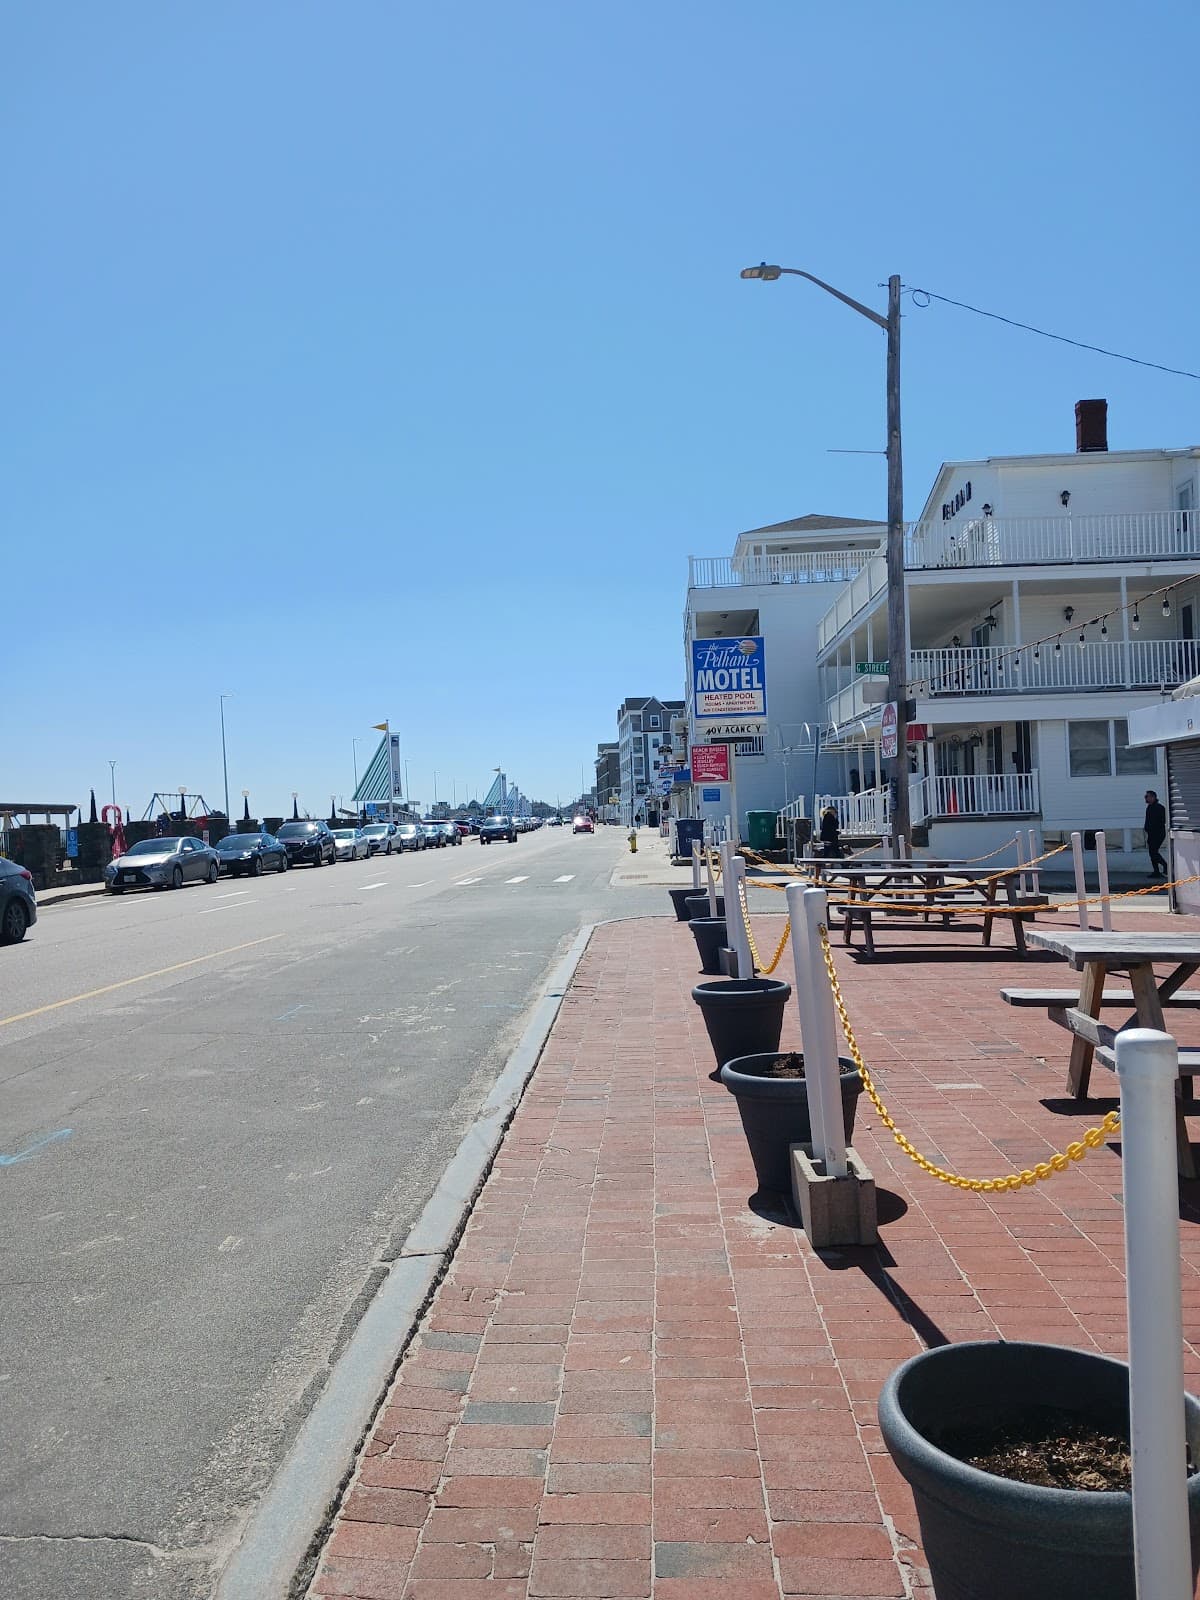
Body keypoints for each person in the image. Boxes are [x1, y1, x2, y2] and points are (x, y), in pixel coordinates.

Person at [1144, 789, 1168, 878]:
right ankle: (1156, 871)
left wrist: (1153, 828)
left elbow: (1163, 820)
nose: (1145, 798)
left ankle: (1165, 865)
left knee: (1154, 852)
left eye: (1147, 797)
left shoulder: (1159, 808)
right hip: (1151, 834)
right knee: (1152, 852)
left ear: (1153, 797)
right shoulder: (1149, 807)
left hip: (1158, 833)